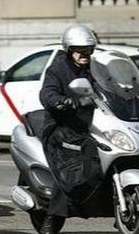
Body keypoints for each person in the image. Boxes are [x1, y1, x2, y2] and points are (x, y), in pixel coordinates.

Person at [38, 24, 99, 234]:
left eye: (88, 49)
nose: (84, 54)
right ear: (69, 50)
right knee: (70, 168)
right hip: (62, 126)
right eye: (79, 50)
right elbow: (47, 94)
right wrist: (62, 101)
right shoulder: (57, 70)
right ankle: (52, 217)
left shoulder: (97, 68)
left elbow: (116, 85)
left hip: (93, 126)